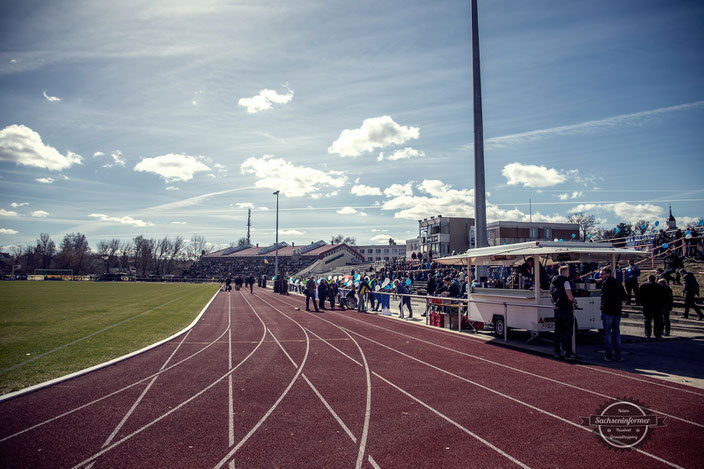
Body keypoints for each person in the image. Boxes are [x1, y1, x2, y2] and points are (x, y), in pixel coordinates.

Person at [550, 265, 578, 360]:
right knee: (568, 331)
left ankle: (557, 351)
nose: (569, 273)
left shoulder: (553, 282)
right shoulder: (566, 282)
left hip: (557, 309)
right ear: (564, 272)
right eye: (568, 271)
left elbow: (552, 298)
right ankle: (567, 352)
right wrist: (574, 301)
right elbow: (569, 296)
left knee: (557, 331)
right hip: (566, 308)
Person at [600, 267, 625, 361]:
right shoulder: (618, 283)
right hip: (617, 311)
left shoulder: (605, 284)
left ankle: (608, 355)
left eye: (602, 274)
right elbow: (624, 296)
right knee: (617, 334)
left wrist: (603, 308)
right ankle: (618, 355)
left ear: (608, 274)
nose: (601, 276)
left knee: (607, 334)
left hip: (608, 311)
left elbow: (604, 298)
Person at [639, 275, 666, 339]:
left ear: (648, 279)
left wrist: (642, 303)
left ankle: (648, 333)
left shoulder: (643, 286)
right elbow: (663, 297)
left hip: (647, 305)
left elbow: (639, 296)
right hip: (657, 306)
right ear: (655, 279)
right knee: (657, 320)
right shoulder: (660, 287)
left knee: (647, 320)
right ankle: (657, 334)